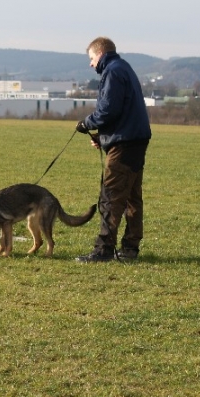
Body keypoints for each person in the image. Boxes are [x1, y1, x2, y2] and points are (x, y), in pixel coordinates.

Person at [75, 37, 152, 262]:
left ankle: (104, 250)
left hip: (125, 145)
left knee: (111, 196)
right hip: (135, 141)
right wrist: (105, 138)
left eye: (91, 58)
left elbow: (108, 110)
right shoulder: (124, 67)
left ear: (100, 53)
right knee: (132, 198)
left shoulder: (112, 71)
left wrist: (86, 123)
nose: (91, 64)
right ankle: (129, 249)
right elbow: (124, 112)